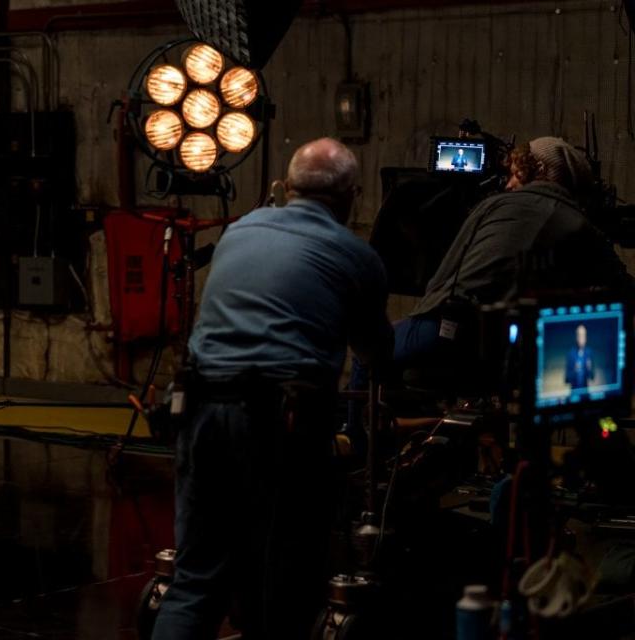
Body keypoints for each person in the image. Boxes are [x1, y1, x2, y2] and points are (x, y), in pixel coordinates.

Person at [151, 138, 392, 640]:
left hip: (197, 405)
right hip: (281, 418)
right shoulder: (356, 255)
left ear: (283, 189)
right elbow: (375, 351)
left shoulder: (241, 231)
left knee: (196, 580)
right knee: (282, 583)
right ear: (353, 198)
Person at [351, 136, 631, 406]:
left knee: (368, 351)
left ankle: (355, 439)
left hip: (447, 335)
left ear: (539, 170)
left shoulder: (493, 205)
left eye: (514, 175)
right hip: (509, 359)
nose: (508, 185)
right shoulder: (580, 227)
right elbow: (622, 288)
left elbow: (442, 280)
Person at [565, 324, 594, 390]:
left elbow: (592, 377)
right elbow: (566, 380)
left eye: (583, 336)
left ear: (586, 337)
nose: (581, 338)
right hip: (574, 392)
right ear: (576, 337)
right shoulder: (570, 354)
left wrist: (589, 369)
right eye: (579, 335)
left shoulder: (589, 353)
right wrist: (574, 371)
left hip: (585, 393)